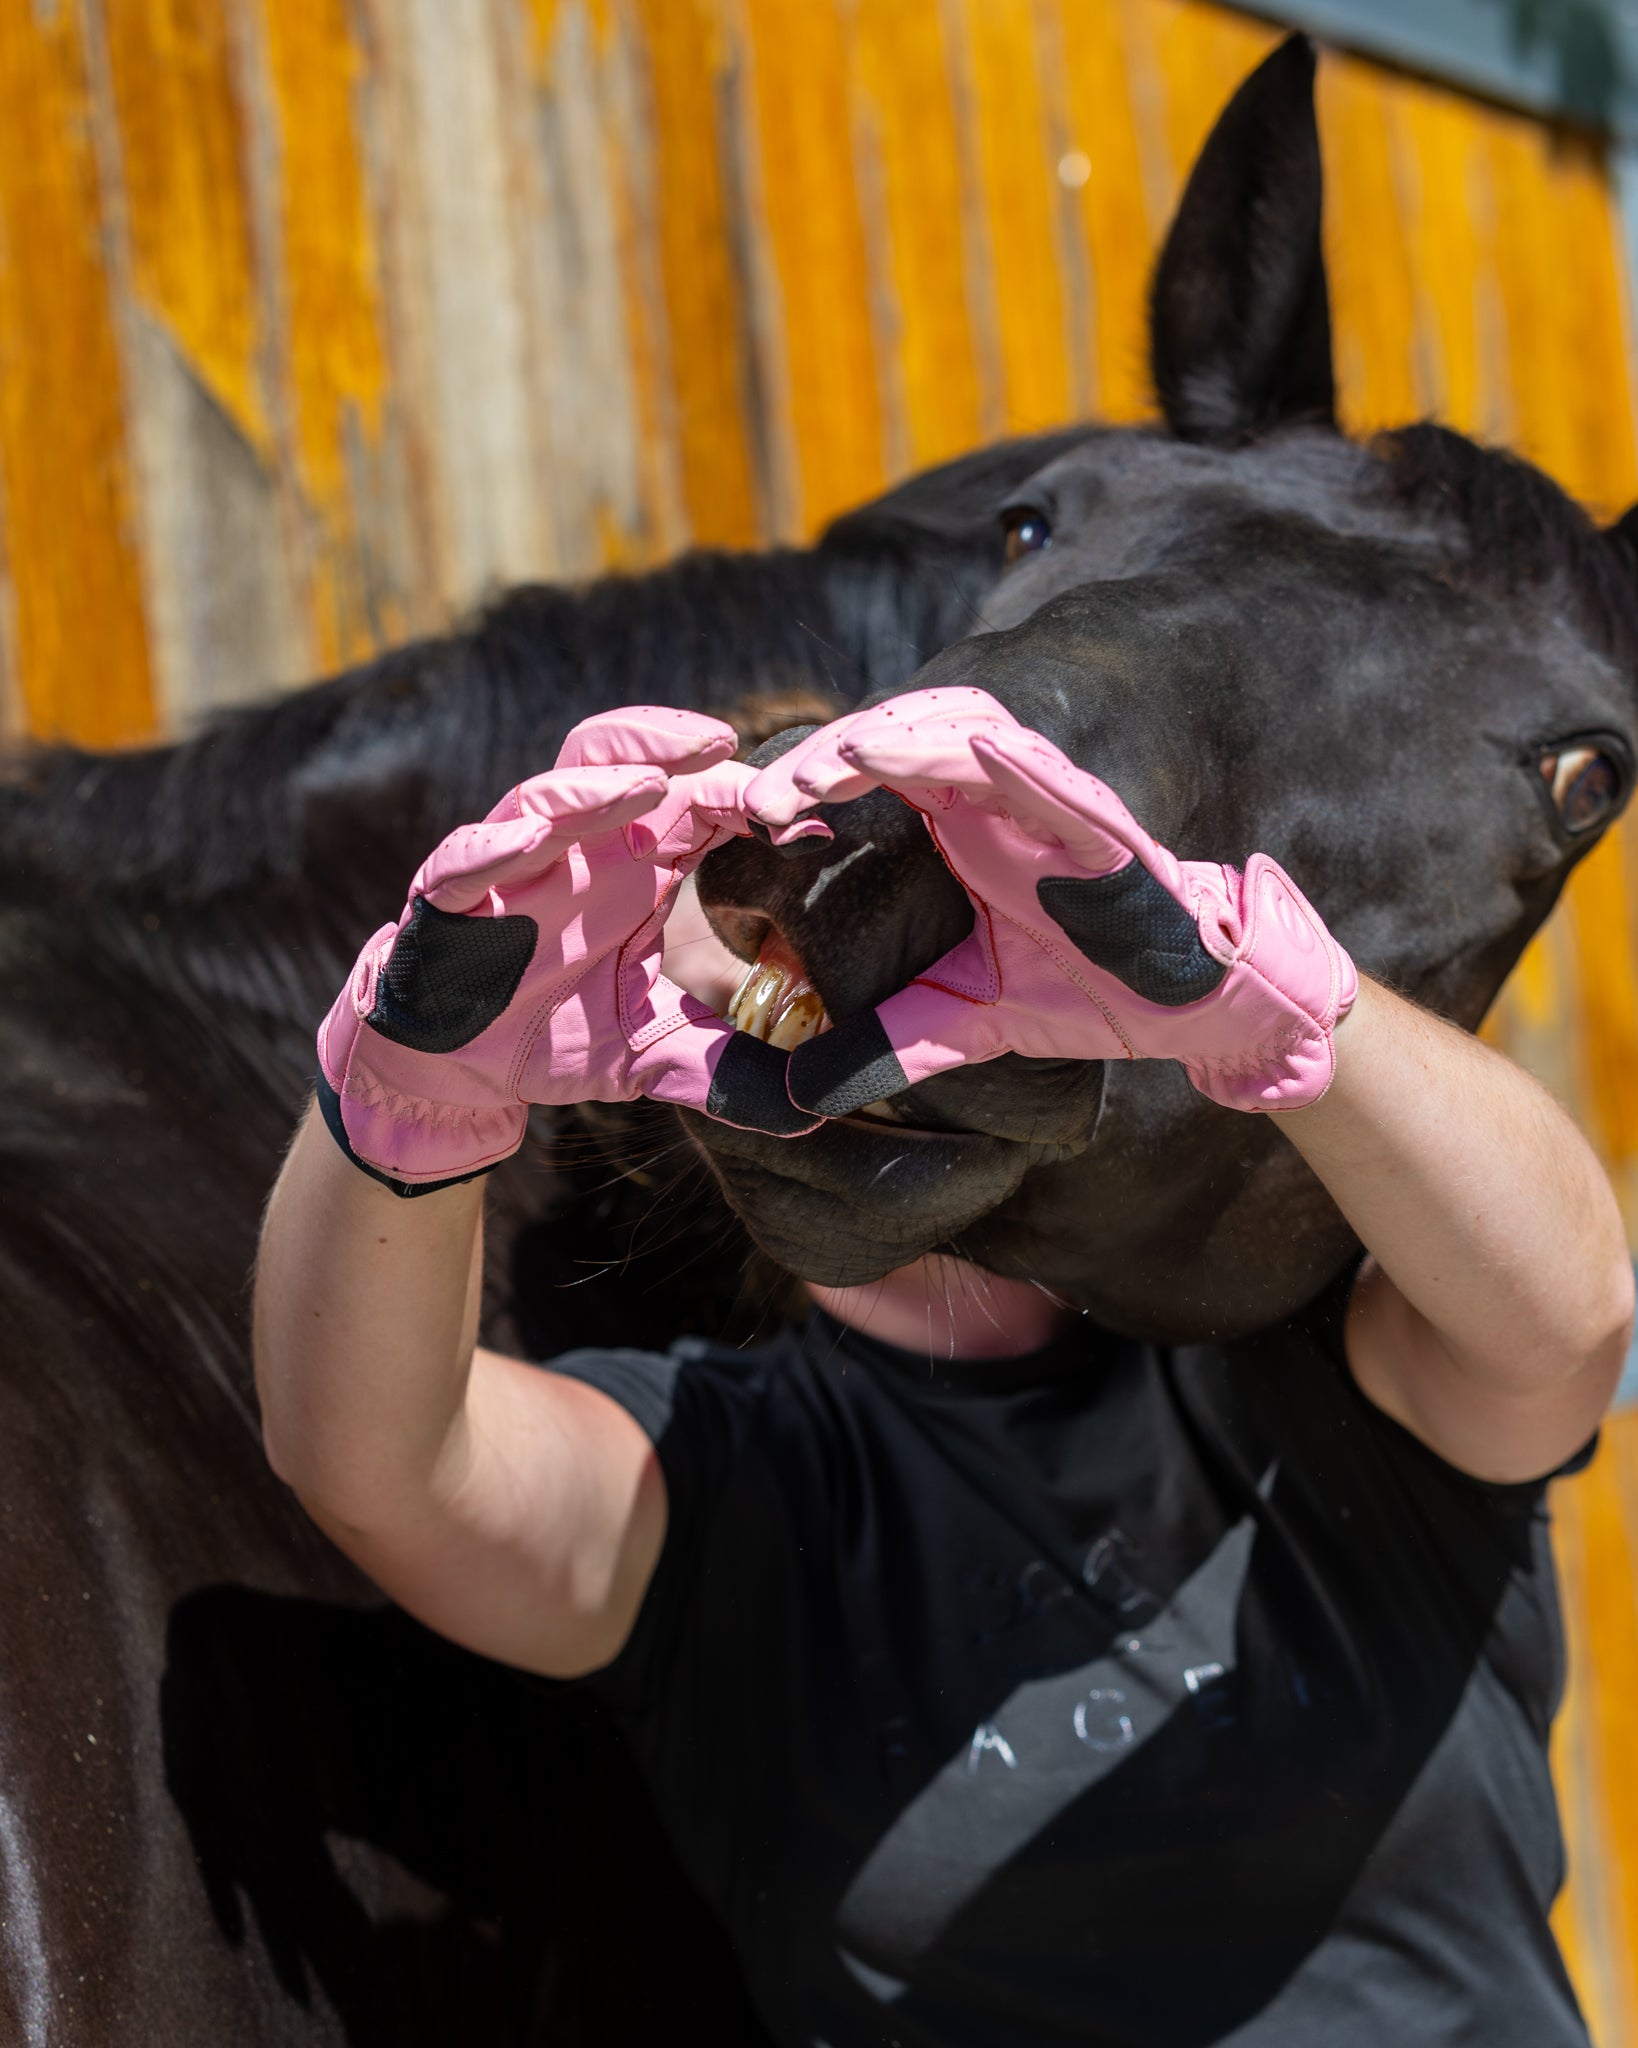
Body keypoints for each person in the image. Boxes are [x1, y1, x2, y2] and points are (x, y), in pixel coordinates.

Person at [254, 691, 1632, 2046]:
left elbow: (1564, 1323)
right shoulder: (724, 1490)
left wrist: (1265, 996)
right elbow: (380, 1466)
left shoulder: (1285, 1346)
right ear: (639, 1072)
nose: (811, 999)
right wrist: (405, 1103)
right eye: (737, 946)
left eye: (869, 912)